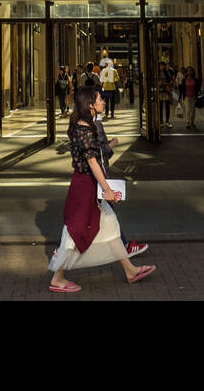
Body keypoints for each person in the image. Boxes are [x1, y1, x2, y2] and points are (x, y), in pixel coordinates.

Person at [49, 87, 155, 292]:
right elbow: (91, 161)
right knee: (74, 231)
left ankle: (130, 270)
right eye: (99, 99)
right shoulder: (84, 129)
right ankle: (57, 278)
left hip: (89, 184)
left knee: (110, 227)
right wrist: (106, 189)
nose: (104, 101)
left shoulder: (85, 126)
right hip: (85, 187)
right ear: (90, 104)